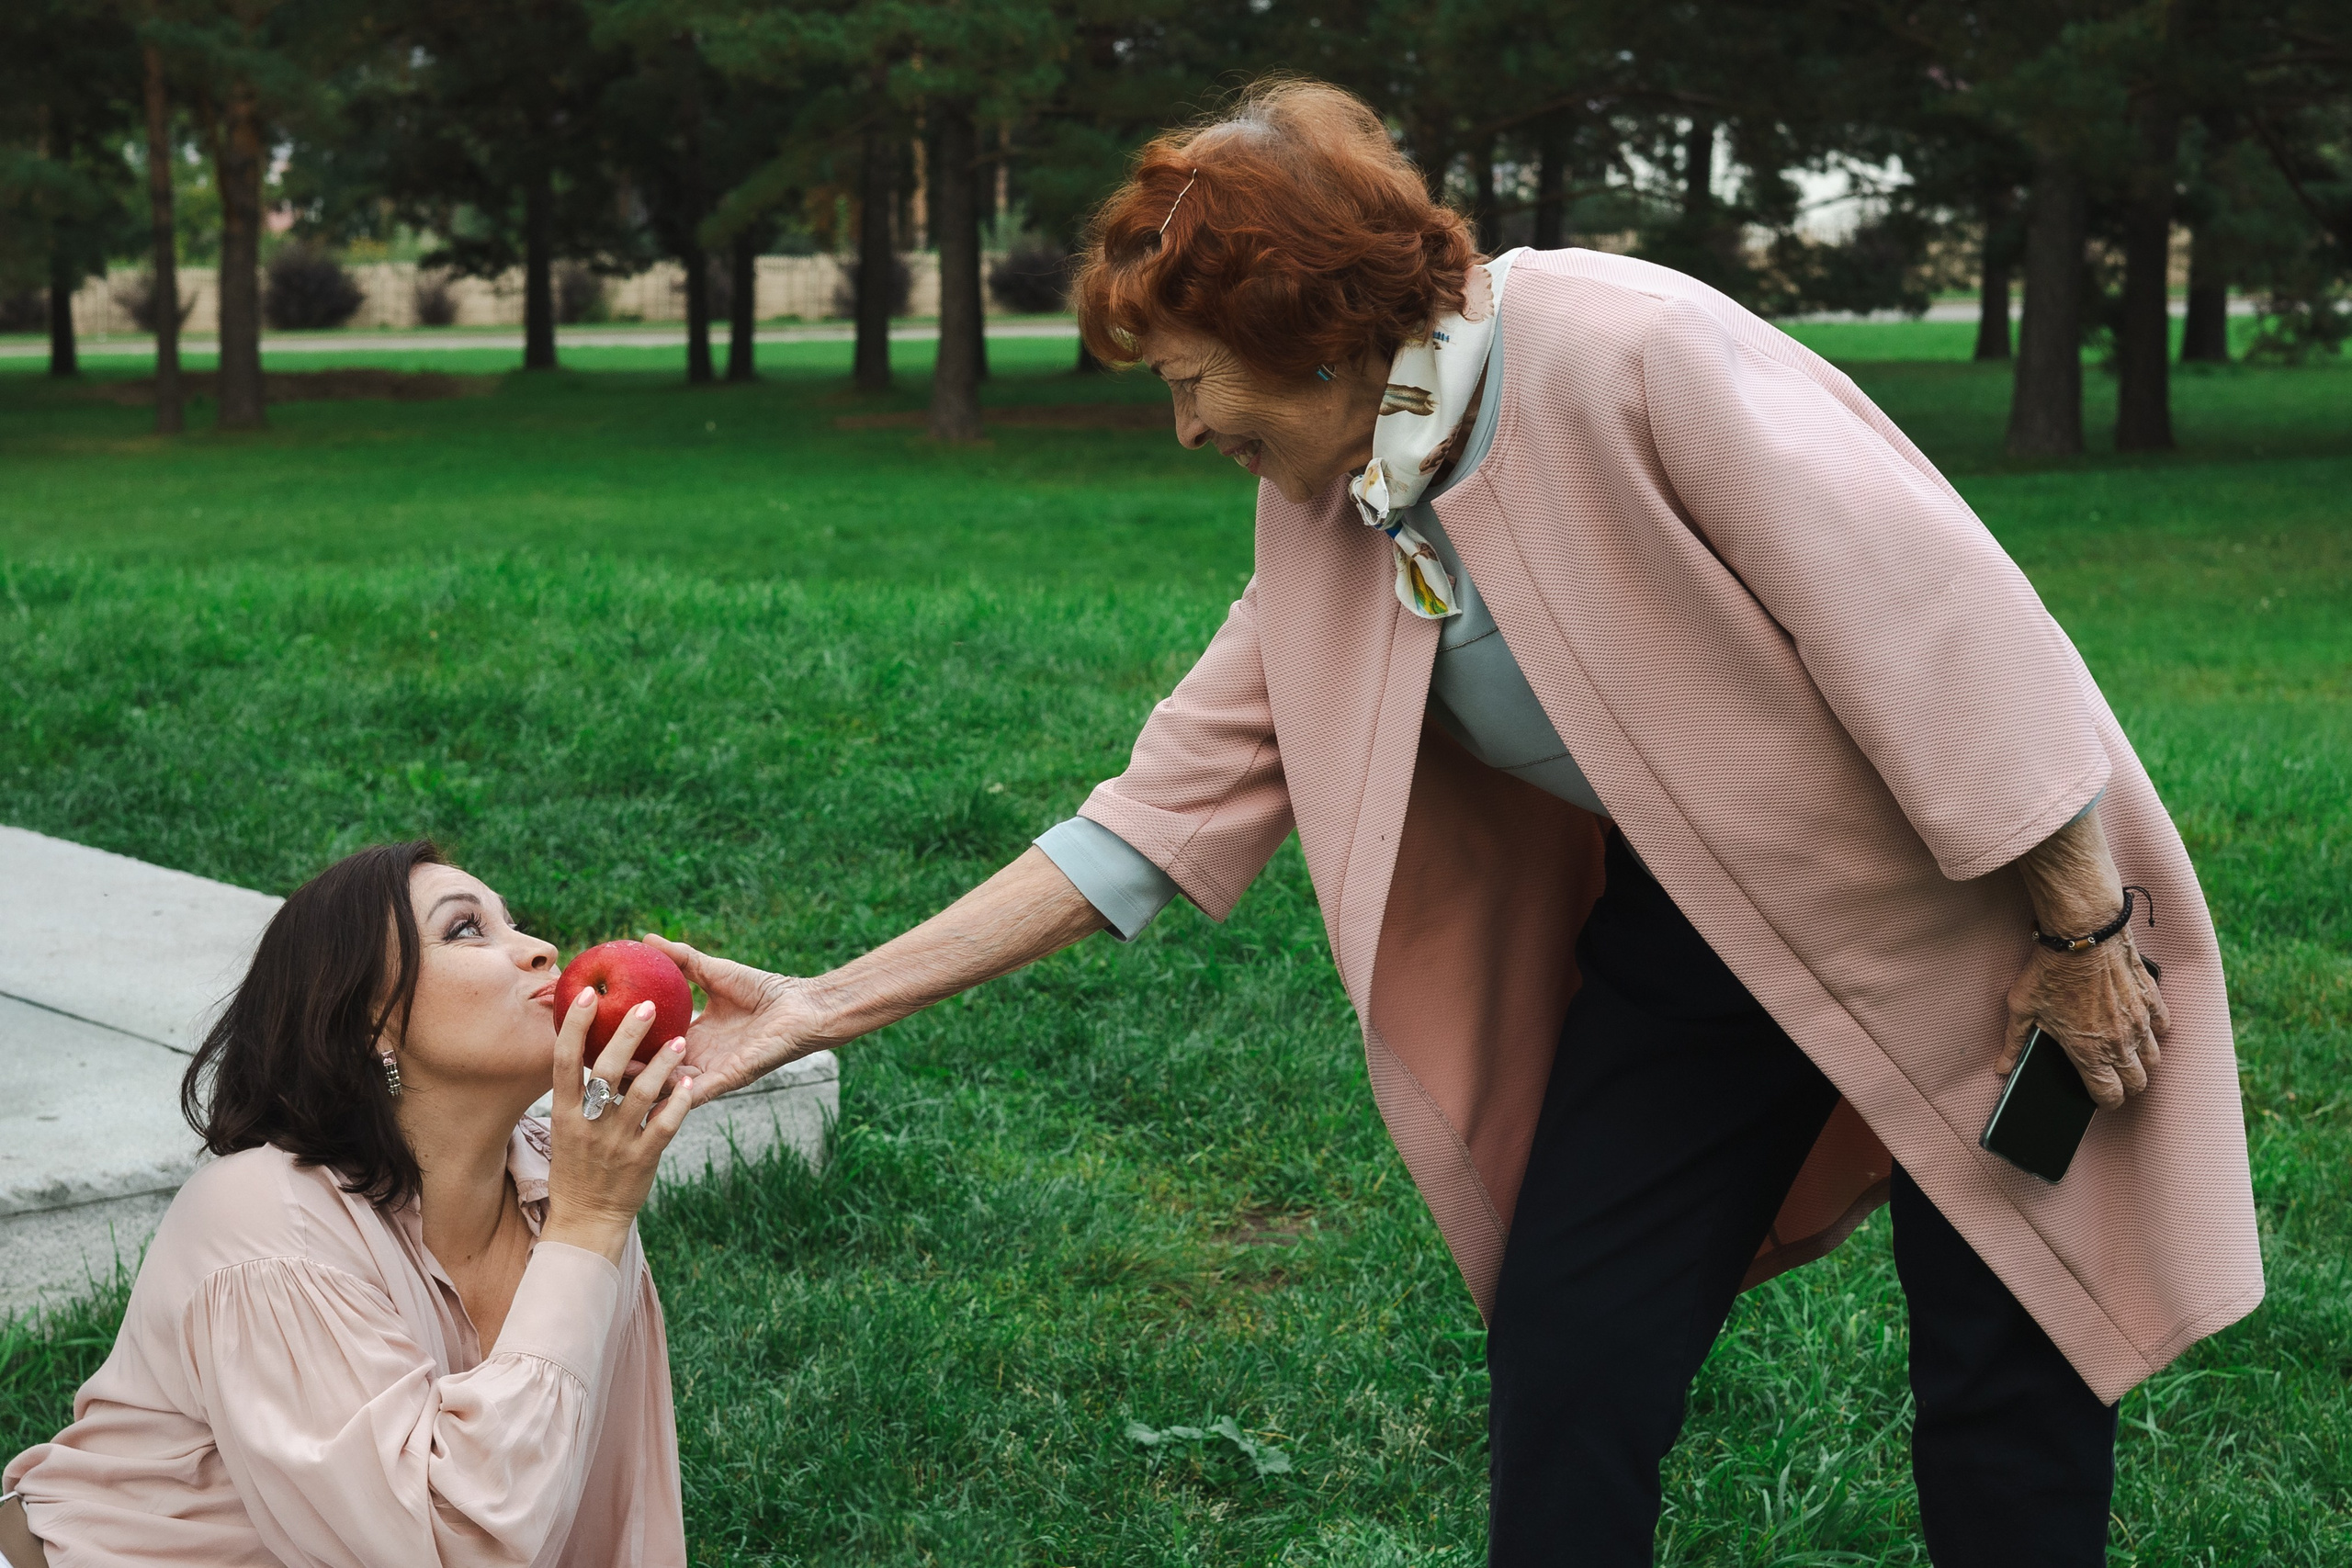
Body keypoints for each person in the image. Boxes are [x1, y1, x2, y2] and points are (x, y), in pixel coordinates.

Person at [650, 80, 2262, 1565]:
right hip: (1699, 955)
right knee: (1572, 1345)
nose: (1189, 428)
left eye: (1195, 380)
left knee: (2005, 1391)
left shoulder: (1625, 349)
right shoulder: (1338, 512)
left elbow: (1943, 625)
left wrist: (2082, 929)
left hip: (1994, 921)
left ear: (1314, 328)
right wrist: (818, 1003)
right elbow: (1140, 826)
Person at [2, 841, 697, 1568]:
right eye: (466, 929)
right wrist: (586, 1230)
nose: (540, 949)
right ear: (372, 1023)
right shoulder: (267, 1228)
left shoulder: (573, 1175)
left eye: (513, 921)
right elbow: (446, 1546)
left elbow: (609, 1495)